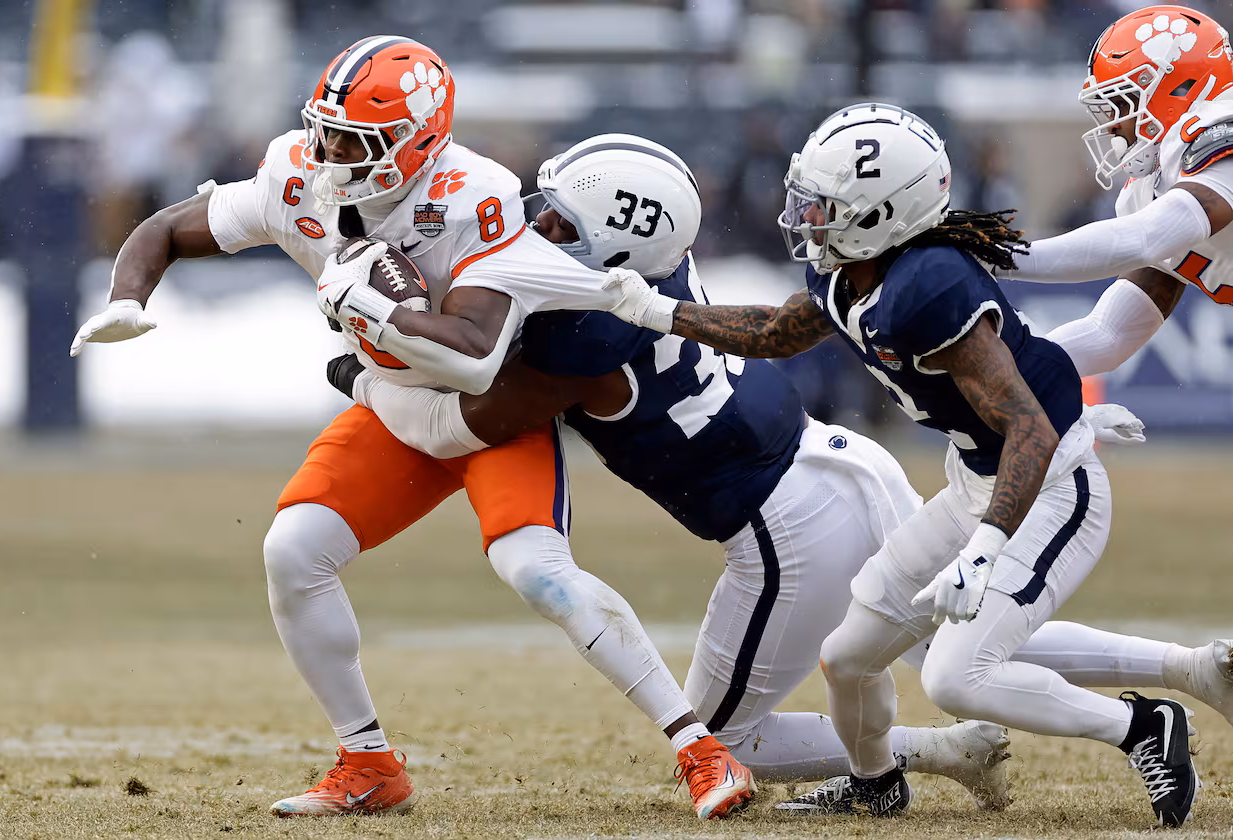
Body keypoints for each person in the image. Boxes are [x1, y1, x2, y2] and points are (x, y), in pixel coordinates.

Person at [333, 131, 1233, 819]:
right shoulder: (780, 274)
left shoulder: (584, 339)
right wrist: (664, 307)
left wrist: (370, 361)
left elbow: (474, 414)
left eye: (559, 221)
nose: (535, 226)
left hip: (803, 514)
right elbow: (772, 330)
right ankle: (1175, 673)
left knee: (868, 692)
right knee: (907, 648)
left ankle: (1097, 730)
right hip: (851, 466)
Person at [67, 37, 754, 821]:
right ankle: (367, 761)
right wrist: (129, 297)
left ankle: (698, 748)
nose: (327, 154)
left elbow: (473, 355)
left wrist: (377, 311)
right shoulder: (298, 175)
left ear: (418, 140)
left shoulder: (475, 195)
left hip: (487, 412)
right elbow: (167, 229)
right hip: (396, 408)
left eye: (352, 140)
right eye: (323, 131)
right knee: (293, 552)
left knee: (540, 573)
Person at [597, 103, 1204, 827]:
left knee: (957, 675)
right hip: (977, 479)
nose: (805, 217)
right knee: (849, 656)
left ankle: (1141, 728)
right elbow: (773, 331)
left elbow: (1030, 431)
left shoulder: (929, 287)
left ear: (883, 212)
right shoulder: (854, 270)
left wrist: (982, 552)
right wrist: (657, 313)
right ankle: (875, 780)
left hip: (1049, 483)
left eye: (824, 206)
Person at [1000, 5, 1233, 377]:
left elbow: (1147, 237)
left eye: (1123, 103)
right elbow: (1109, 333)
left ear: (1180, 86)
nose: (1112, 126)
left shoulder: (1222, 129)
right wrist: (1010, 375)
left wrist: (998, 255)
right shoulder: (1154, 186)